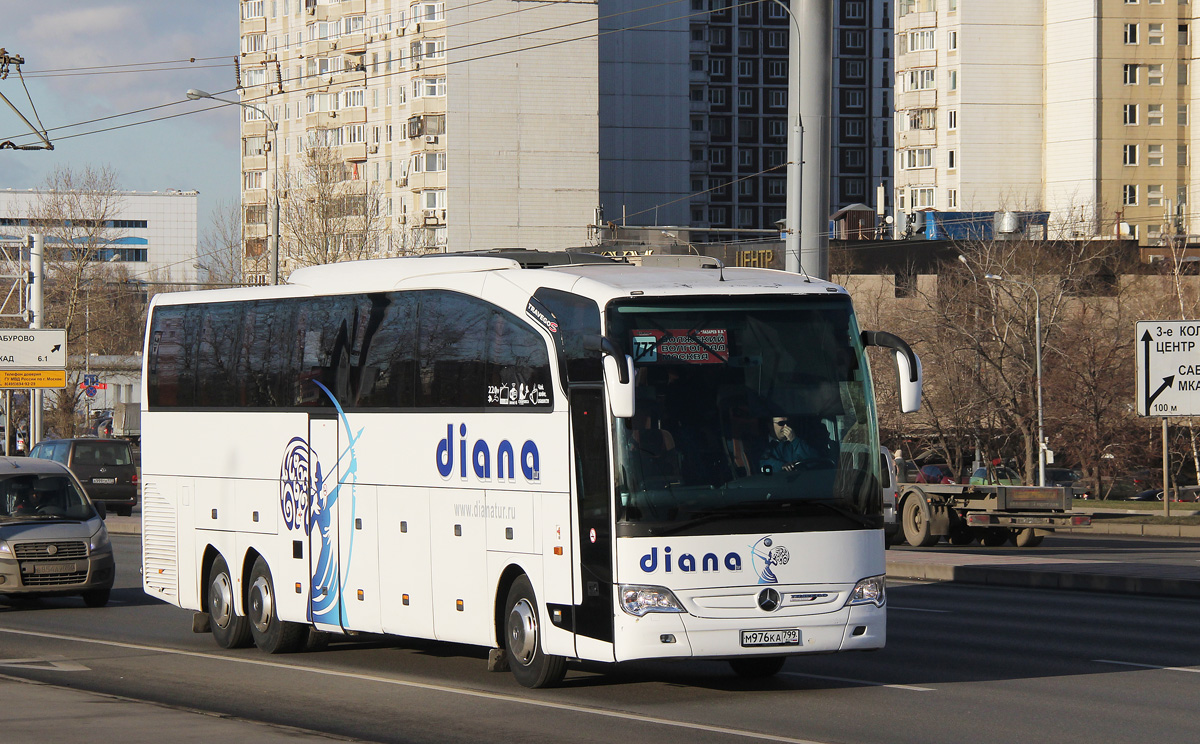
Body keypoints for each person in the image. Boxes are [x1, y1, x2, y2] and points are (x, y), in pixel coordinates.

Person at [760, 416, 829, 472]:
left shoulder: (797, 443)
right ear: (770, 425)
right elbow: (763, 463)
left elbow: (815, 460)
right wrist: (782, 466)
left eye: (787, 423)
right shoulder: (762, 443)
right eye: (781, 423)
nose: (786, 426)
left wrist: (794, 440)